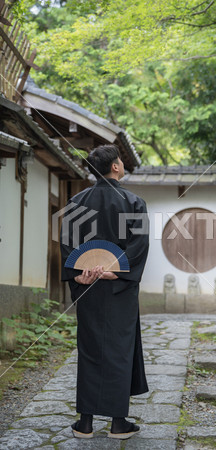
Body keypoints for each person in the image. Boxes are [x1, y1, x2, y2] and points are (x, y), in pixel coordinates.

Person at [60, 144, 149, 440]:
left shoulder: (76, 201)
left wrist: (78, 273)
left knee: (89, 349)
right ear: (115, 167)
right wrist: (117, 270)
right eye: (121, 161)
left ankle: (84, 423)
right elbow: (138, 245)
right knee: (119, 351)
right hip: (119, 289)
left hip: (87, 288)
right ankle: (117, 423)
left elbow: (68, 243)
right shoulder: (133, 202)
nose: (122, 164)